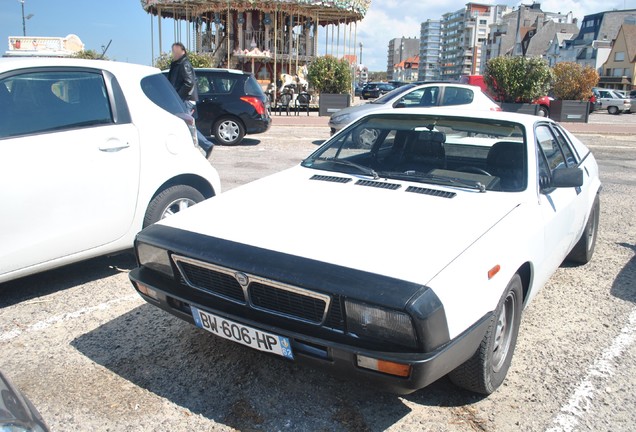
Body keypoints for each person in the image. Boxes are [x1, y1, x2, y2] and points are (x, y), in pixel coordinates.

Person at [167, 42, 214, 158]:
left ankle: (206, 145)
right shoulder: (178, 64)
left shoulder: (184, 64)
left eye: (176, 51)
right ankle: (202, 146)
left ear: (183, 51)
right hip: (185, 98)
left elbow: (189, 83)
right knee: (185, 125)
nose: (174, 53)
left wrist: (177, 96)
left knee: (185, 125)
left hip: (185, 99)